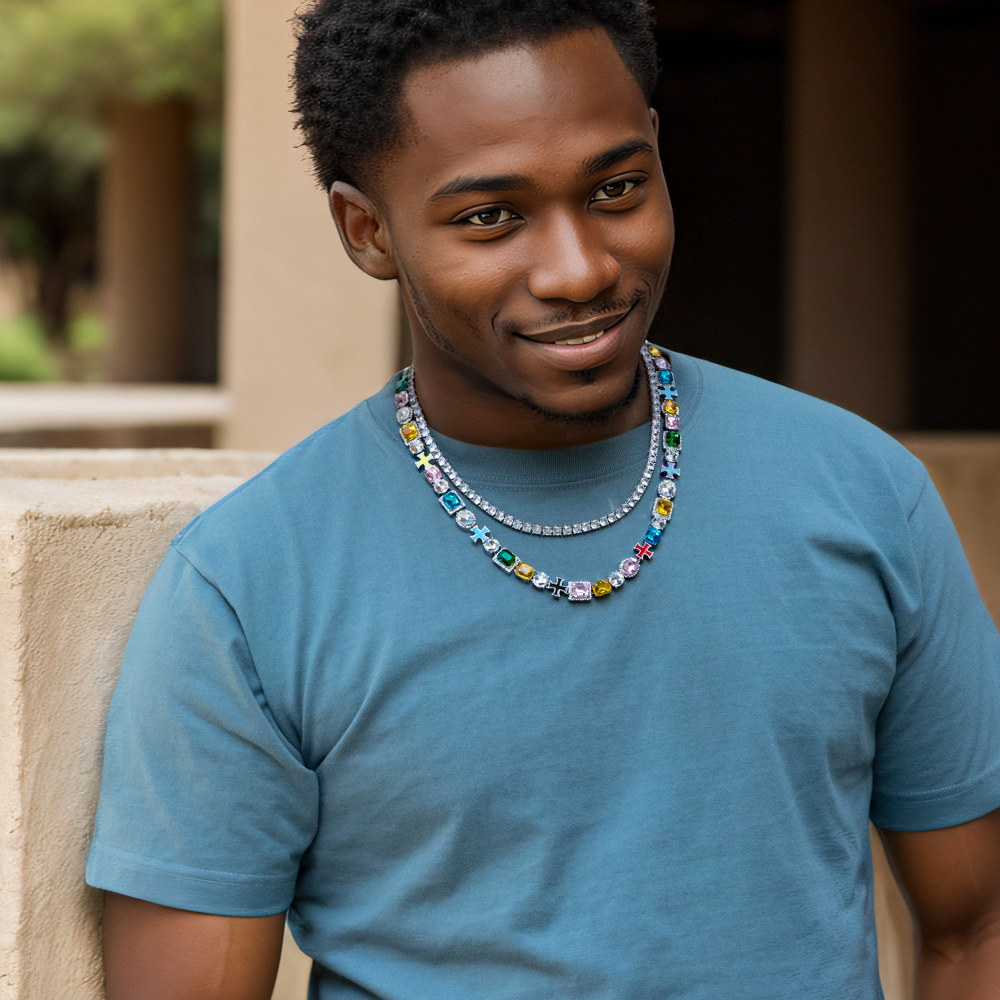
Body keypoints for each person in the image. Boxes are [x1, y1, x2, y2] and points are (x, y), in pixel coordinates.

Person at [87, 1, 1000, 997]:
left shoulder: (862, 493)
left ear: (655, 151)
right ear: (368, 231)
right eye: (490, 216)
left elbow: (976, 925)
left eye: (616, 188)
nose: (581, 270)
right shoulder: (250, 583)